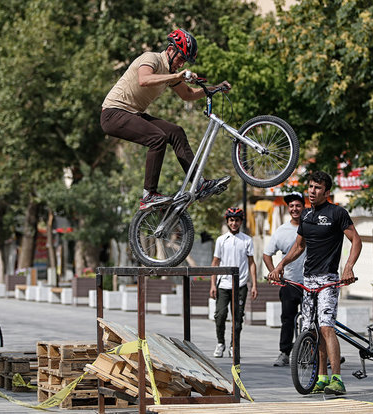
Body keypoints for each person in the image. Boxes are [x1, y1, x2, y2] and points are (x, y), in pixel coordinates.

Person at [100, 28, 231, 210]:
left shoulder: (170, 72)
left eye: (185, 61)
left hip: (132, 113)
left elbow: (187, 94)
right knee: (157, 138)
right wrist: (176, 76)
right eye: (180, 58)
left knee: (175, 132)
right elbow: (144, 79)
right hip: (113, 113)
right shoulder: (151, 58)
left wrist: (215, 88)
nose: (181, 63)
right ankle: (149, 195)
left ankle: (198, 183)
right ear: (170, 50)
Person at [268, 171, 362, 395]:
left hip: (328, 280)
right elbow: (299, 247)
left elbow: (356, 239)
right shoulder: (307, 217)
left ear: (327, 192)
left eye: (317, 188)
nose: (312, 191)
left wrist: (348, 267)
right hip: (308, 280)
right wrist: (280, 266)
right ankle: (321, 377)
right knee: (311, 330)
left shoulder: (337, 213)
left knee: (327, 327)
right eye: (310, 187)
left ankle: (337, 379)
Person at [263, 192, 305, 367]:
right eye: (292, 206)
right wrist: (274, 273)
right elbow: (266, 255)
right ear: (288, 209)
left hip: (311, 283)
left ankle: (315, 352)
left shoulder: (311, 226)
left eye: (298, 205)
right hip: (290, 283)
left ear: (304, 207)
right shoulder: (282, 230)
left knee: (313, 320)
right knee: (288, 319)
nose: (295, 209)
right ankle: (284, 353)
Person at [209, 207, 258, 358]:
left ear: (241, 222)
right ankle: (220, 343)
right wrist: (212, 284)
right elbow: (215, 263)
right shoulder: (221, 240)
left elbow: (251, 263)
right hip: (223, 284)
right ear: (228, 221)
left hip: (240, 285)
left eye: (237, 220)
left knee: (237, 318)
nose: (234, 223)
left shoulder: (247, 240)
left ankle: (233, 345)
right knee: (220, 314)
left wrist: (254, 284)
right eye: (231, 220)